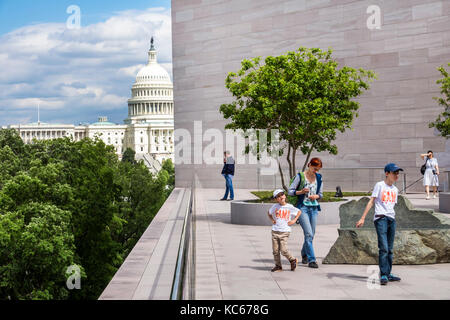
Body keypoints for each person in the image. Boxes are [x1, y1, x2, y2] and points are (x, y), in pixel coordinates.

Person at [355, 163, 403, 286]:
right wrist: (363, 218)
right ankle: (382, 274)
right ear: (387, 173)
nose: (396, 175)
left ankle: (388, 273)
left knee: (390, 249)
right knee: (384, 248)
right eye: (394, 173)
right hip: (381, 219)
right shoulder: (380, 185)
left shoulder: (395, 190)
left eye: (398, 173)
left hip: (391, 219)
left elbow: (391, 206)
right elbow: (371, 201)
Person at [288, 157, 323, 269]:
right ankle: (312, 260)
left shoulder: (319, 177)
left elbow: (321, 194)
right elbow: (290, 191)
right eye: (314, 168)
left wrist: (316, 196)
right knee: (308, 234)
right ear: (309, 165)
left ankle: (304, 253)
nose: (316, 171)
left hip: (314, 208)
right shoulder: (300, 176)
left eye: (318, 169)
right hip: (302, 208)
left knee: (311, 235)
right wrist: (301, 192)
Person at [268, 189, 301, 272]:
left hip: (285, 232)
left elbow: (299, 212)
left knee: (283, 250)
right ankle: (278, 266)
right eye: (278, 196)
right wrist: (272, 220)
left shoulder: (289, 206)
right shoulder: (275, 206)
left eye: (282, 194)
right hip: (275, 231)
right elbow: (269, 213)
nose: (280, 197)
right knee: (275, 251)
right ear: (276, 199)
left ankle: (292, 260)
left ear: (285, 195)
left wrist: (294, 220)